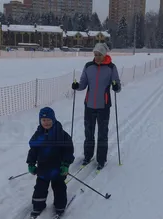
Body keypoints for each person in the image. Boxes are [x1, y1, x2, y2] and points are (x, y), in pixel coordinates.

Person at [71, 42, 121, 170]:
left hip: (104, 106)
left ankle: (101, 159)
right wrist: (77, 86)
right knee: (89, 132)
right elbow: (83, 84)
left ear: (104, 55)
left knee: (102, 134)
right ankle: (87, 156)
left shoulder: (111, 67)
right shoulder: (88, 66)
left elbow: (117, 86)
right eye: (95, 54)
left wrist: (116, 87)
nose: (97, 57)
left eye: (99, 55)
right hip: (89, 105)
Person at [26, 107, 75, 218]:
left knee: (59, 188)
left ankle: (60, 207)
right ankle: (38, 206)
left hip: (58, 169)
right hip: (42, 169)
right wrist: (31, 163)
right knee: (39, 189)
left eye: (48, 120)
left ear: (53, 119)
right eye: (43, 120)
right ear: (40, 121)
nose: (46, 123)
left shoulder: (62, 135)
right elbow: (33, 150)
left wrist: (66, 164)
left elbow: (68, 150)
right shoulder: (38, 135)